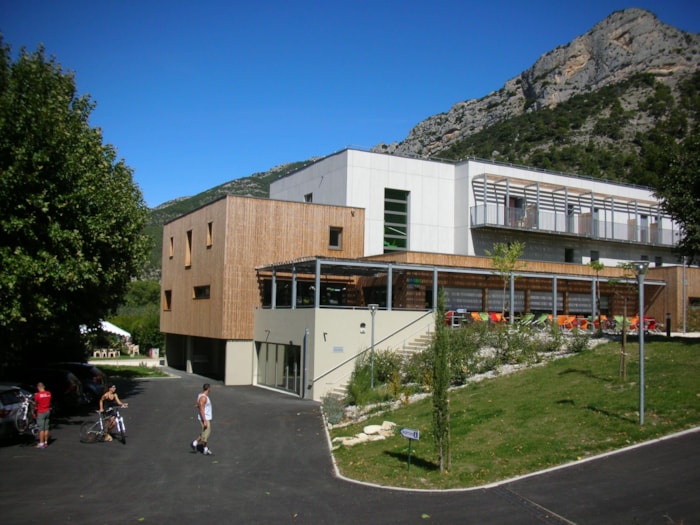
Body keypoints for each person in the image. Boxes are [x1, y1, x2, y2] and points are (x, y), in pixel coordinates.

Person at [191, 383, 213, 455]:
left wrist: (198, 405)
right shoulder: (203, 398)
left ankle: (195, 443)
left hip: (206, 417)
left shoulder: (201, 395)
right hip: (205, 418)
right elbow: (201, 409)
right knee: (206, 434)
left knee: (205, 433)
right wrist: (204, 421)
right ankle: (205, 449)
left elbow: (199, 404)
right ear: (208, 388)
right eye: (210, 388)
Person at [34, 382, 52, 448]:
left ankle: (41, 443)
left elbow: (35, 403)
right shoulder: (48, 393)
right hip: (47, 411)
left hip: (41, 412)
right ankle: (46, 442)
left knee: (41, 429)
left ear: (38, 387)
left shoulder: (37, 395)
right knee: (46, 428)